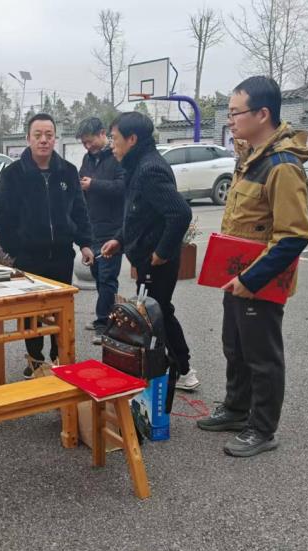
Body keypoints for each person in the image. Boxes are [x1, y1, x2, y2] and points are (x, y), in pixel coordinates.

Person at [196, 76, 308, 457]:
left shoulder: (282, 166)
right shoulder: (251, 159)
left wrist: (251, 279)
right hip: (236, 276)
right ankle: (236, 408)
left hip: (260, 281)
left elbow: (294, 236)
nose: (230, 120)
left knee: (262, 356)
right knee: (235, 346)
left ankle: (262, 428)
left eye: (235, 113)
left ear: (262, 114)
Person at [101, 112, 199, 391]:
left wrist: (162, 253)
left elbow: (180, 213)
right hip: (146, 258)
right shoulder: (137, 166)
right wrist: (119, 240)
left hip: (157, 262)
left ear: (132, 139)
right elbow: (139, 215)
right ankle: (163, 367)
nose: (112, 145)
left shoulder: (149, 170)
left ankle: (184, 369)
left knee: (160, 313)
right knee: (153, 313)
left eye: (115, 139)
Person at [0, 113, 94, 378]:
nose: (43, 140)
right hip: (28, 258)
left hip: (61, 255)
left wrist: (85, 243)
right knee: (32, 313)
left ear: (55, 138)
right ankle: (35, 360)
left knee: (60, 311)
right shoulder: (14, 174)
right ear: (28, 138)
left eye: (49, 135)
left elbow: (80, 211)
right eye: (38, 135)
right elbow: (2, 216)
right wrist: (14, 250)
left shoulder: (68, 171)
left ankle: (58, 357)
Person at [76, 117, 125, 345]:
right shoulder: (88, 159)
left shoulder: (117, 157)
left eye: (90, 141)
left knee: (107, 278)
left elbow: (123, 187)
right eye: (84, 143)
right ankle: (106, 316)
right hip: (92, 228)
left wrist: (93, 184)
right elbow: (81, 183)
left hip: (113, 231)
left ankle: (104, 323)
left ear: (103, 134)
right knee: (97, 275)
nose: (88, 146)